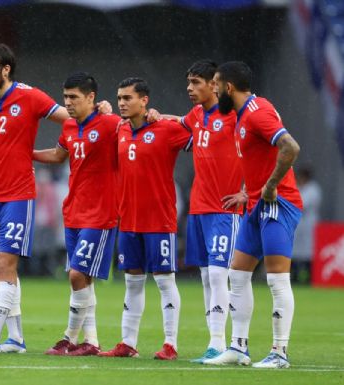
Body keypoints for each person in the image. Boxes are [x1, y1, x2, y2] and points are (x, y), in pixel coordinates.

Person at [0, 43, 113, 354]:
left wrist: (99, 111)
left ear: (5, 70)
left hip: (19, 193)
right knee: (0, 265)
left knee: (7, 261)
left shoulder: (30, 96)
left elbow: (71, 118)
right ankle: (16, 338)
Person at [203, 61, 302, 369]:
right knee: (238, 274)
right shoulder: (242, 115)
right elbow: (264, 158)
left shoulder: (258, 112)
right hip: (257, 204)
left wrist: (271, 187)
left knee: (276, 279)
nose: (214, 90)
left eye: (217, 85)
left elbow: (290, 147)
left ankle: (279, 353)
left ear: (228, 87)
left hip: (278, 204)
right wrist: (251, 193)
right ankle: (238, 348)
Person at [98, 77, 192, 361]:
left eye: (128, 98)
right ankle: (128, 342)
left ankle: (171, 344)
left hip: (159, 219)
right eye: (119, 98)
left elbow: (204, 140)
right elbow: (103, 118)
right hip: (128, 219)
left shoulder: (166, 129)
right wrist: (103, 109)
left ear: (145, 101)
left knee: (164, 281)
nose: (122, 103)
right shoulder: (121, 130)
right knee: (132, 282)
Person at [163, 60, 245, 362]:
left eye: (196, 82)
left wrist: (248, 191)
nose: (190, 88)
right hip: (198, 208)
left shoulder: (236, 115)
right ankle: (215, 344)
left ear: (215, 84)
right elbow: (181, 123)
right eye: (188, 82)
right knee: (206, 276)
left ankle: (221, 343)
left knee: (219, 275)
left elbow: (264, 147)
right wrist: (157, 116)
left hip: (225, 210)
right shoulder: (197, 115)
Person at [33, 73, 120, 356]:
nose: (67, 103)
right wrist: (27, 153)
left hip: (101, 212)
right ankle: (91, 341)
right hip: (74, 211)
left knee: (76, 274)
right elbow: (59, 156)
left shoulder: (110, 124)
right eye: (65, 97)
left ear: (91, 98)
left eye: (74, 98)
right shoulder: (70, 126)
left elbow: (138, 132)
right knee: (83, 279)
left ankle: (70, 337)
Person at [292, 167, 321, 283]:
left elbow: (301, 203)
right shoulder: (297, 187)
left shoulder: (313, 189)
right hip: (297, 224)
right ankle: (294, 276)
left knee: (309, 252)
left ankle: (309, 277)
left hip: (309, 225)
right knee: (294, 252)